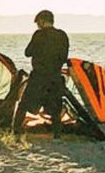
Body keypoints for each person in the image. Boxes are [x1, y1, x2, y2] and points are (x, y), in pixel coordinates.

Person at [12, 9, 70, 137]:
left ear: (42, 21)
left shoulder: (39, 35)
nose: (38, 25)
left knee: (24, 104)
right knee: (55, 107)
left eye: (38, 22)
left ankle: (15, 130)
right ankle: (56, 134)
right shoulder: (62, 35)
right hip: (55, 76)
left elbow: (27, 52)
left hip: (39, 76)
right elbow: (64, 57)